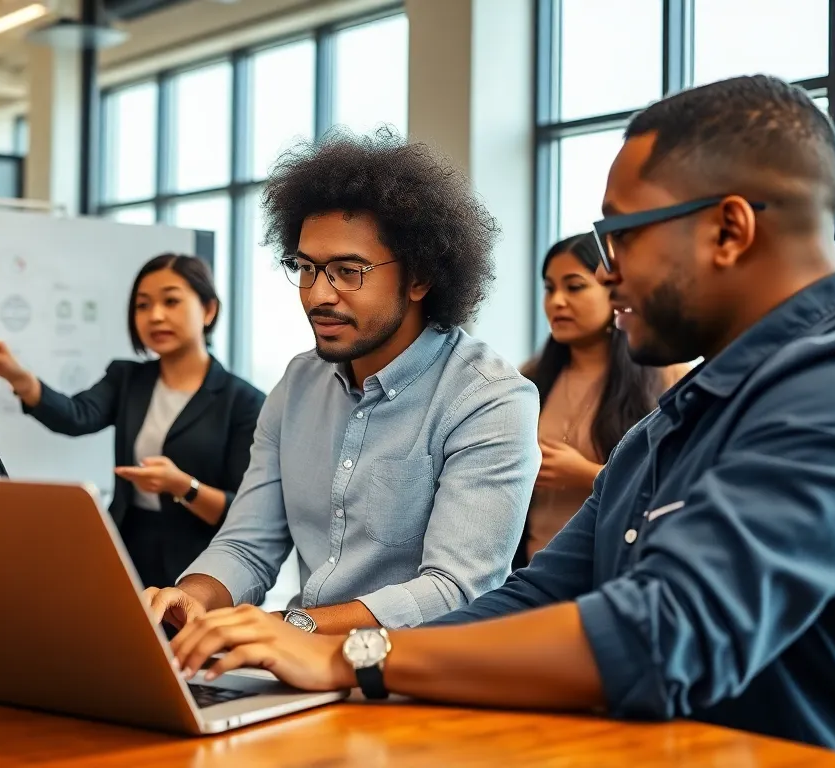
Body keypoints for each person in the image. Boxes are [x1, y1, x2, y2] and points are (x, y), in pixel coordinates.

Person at [160, 75, 835, 762]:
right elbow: (533, 597)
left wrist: (351, 655)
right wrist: (331, 662)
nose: (606, 271)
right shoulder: (670, 427)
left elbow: (658, 634)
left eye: (624, 234)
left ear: (729, 230)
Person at [143, 128, 540, 636]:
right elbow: (248, 542)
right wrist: (191, 598)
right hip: (300, 663)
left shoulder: (488, 399)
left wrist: (292, 627)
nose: (317, 295)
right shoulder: (299, 382)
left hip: (417, 679)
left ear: (420, 278)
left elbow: (454, 590)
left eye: (347, 271)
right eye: (305, 268)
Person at [0, 254, 265, 589]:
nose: (156, 316)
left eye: (171, 301)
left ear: (208, 310)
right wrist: (19, 377)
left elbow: (241, 511)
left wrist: (180, 485)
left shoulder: (244, 401)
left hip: (200, 563)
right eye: (142, 305)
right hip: (126, 546)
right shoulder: (127, 377)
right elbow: (76, 417)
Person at [519, 234, 686, 564]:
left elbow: (678, 488)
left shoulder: (668, 377)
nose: (557, 302)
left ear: (613, 288)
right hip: (531, 569)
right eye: (550, 288)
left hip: (616, 567)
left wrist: (586, 474)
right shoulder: (529, 377)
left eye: (574, 286)